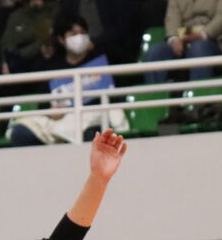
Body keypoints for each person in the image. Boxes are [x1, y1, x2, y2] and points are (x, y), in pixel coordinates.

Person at [8, 15, 130, 146]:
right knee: (21, 132)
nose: (79, 37)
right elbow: (44, 102)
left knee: (92, 136)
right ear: (61, 39)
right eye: (73, 34)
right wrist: (51, 112)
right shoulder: (54, 68)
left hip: (94, 118)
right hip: (61, 120)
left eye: (83, 33)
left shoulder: (101, 61)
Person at [142, 0, 222, 84]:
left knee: (199, 48)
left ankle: (198, 93)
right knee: (156, 52)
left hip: (216, 41)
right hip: (183, 41)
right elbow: (172, 19)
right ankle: (155, 93)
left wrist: (202, 34)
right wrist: (174, 39)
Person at [60, 0, 141, 65]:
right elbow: (65, 24)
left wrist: (95, 43)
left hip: (114, 56)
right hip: (81, 58)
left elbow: (124, 25)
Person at [2, 0, 60, 73]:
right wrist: (5, 62)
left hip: (45, 63)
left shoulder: (55, 11)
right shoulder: (17, 15)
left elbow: (44, 39)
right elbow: (7, 43)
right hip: (18, 64)